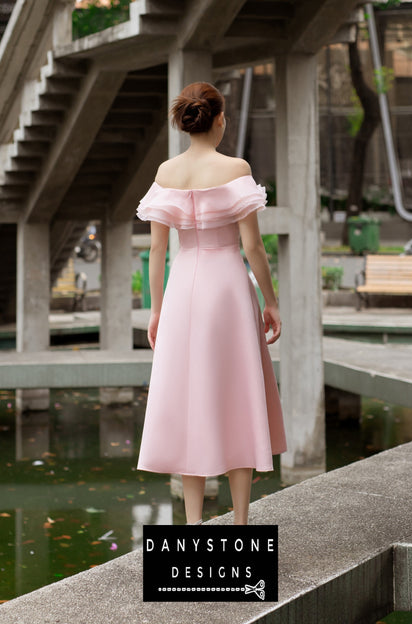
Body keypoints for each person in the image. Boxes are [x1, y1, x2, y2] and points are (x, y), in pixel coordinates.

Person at [136, 82, 287, 526]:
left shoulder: (166, 172)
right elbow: (253, 247)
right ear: (219, 119)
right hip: (227, 288)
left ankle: (193, 525)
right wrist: (271, 301)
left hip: (184, 286)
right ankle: (240, 523)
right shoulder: (235, 167)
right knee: (238, 394)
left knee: (190, 400)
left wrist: (156, 310)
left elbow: (158, 252)